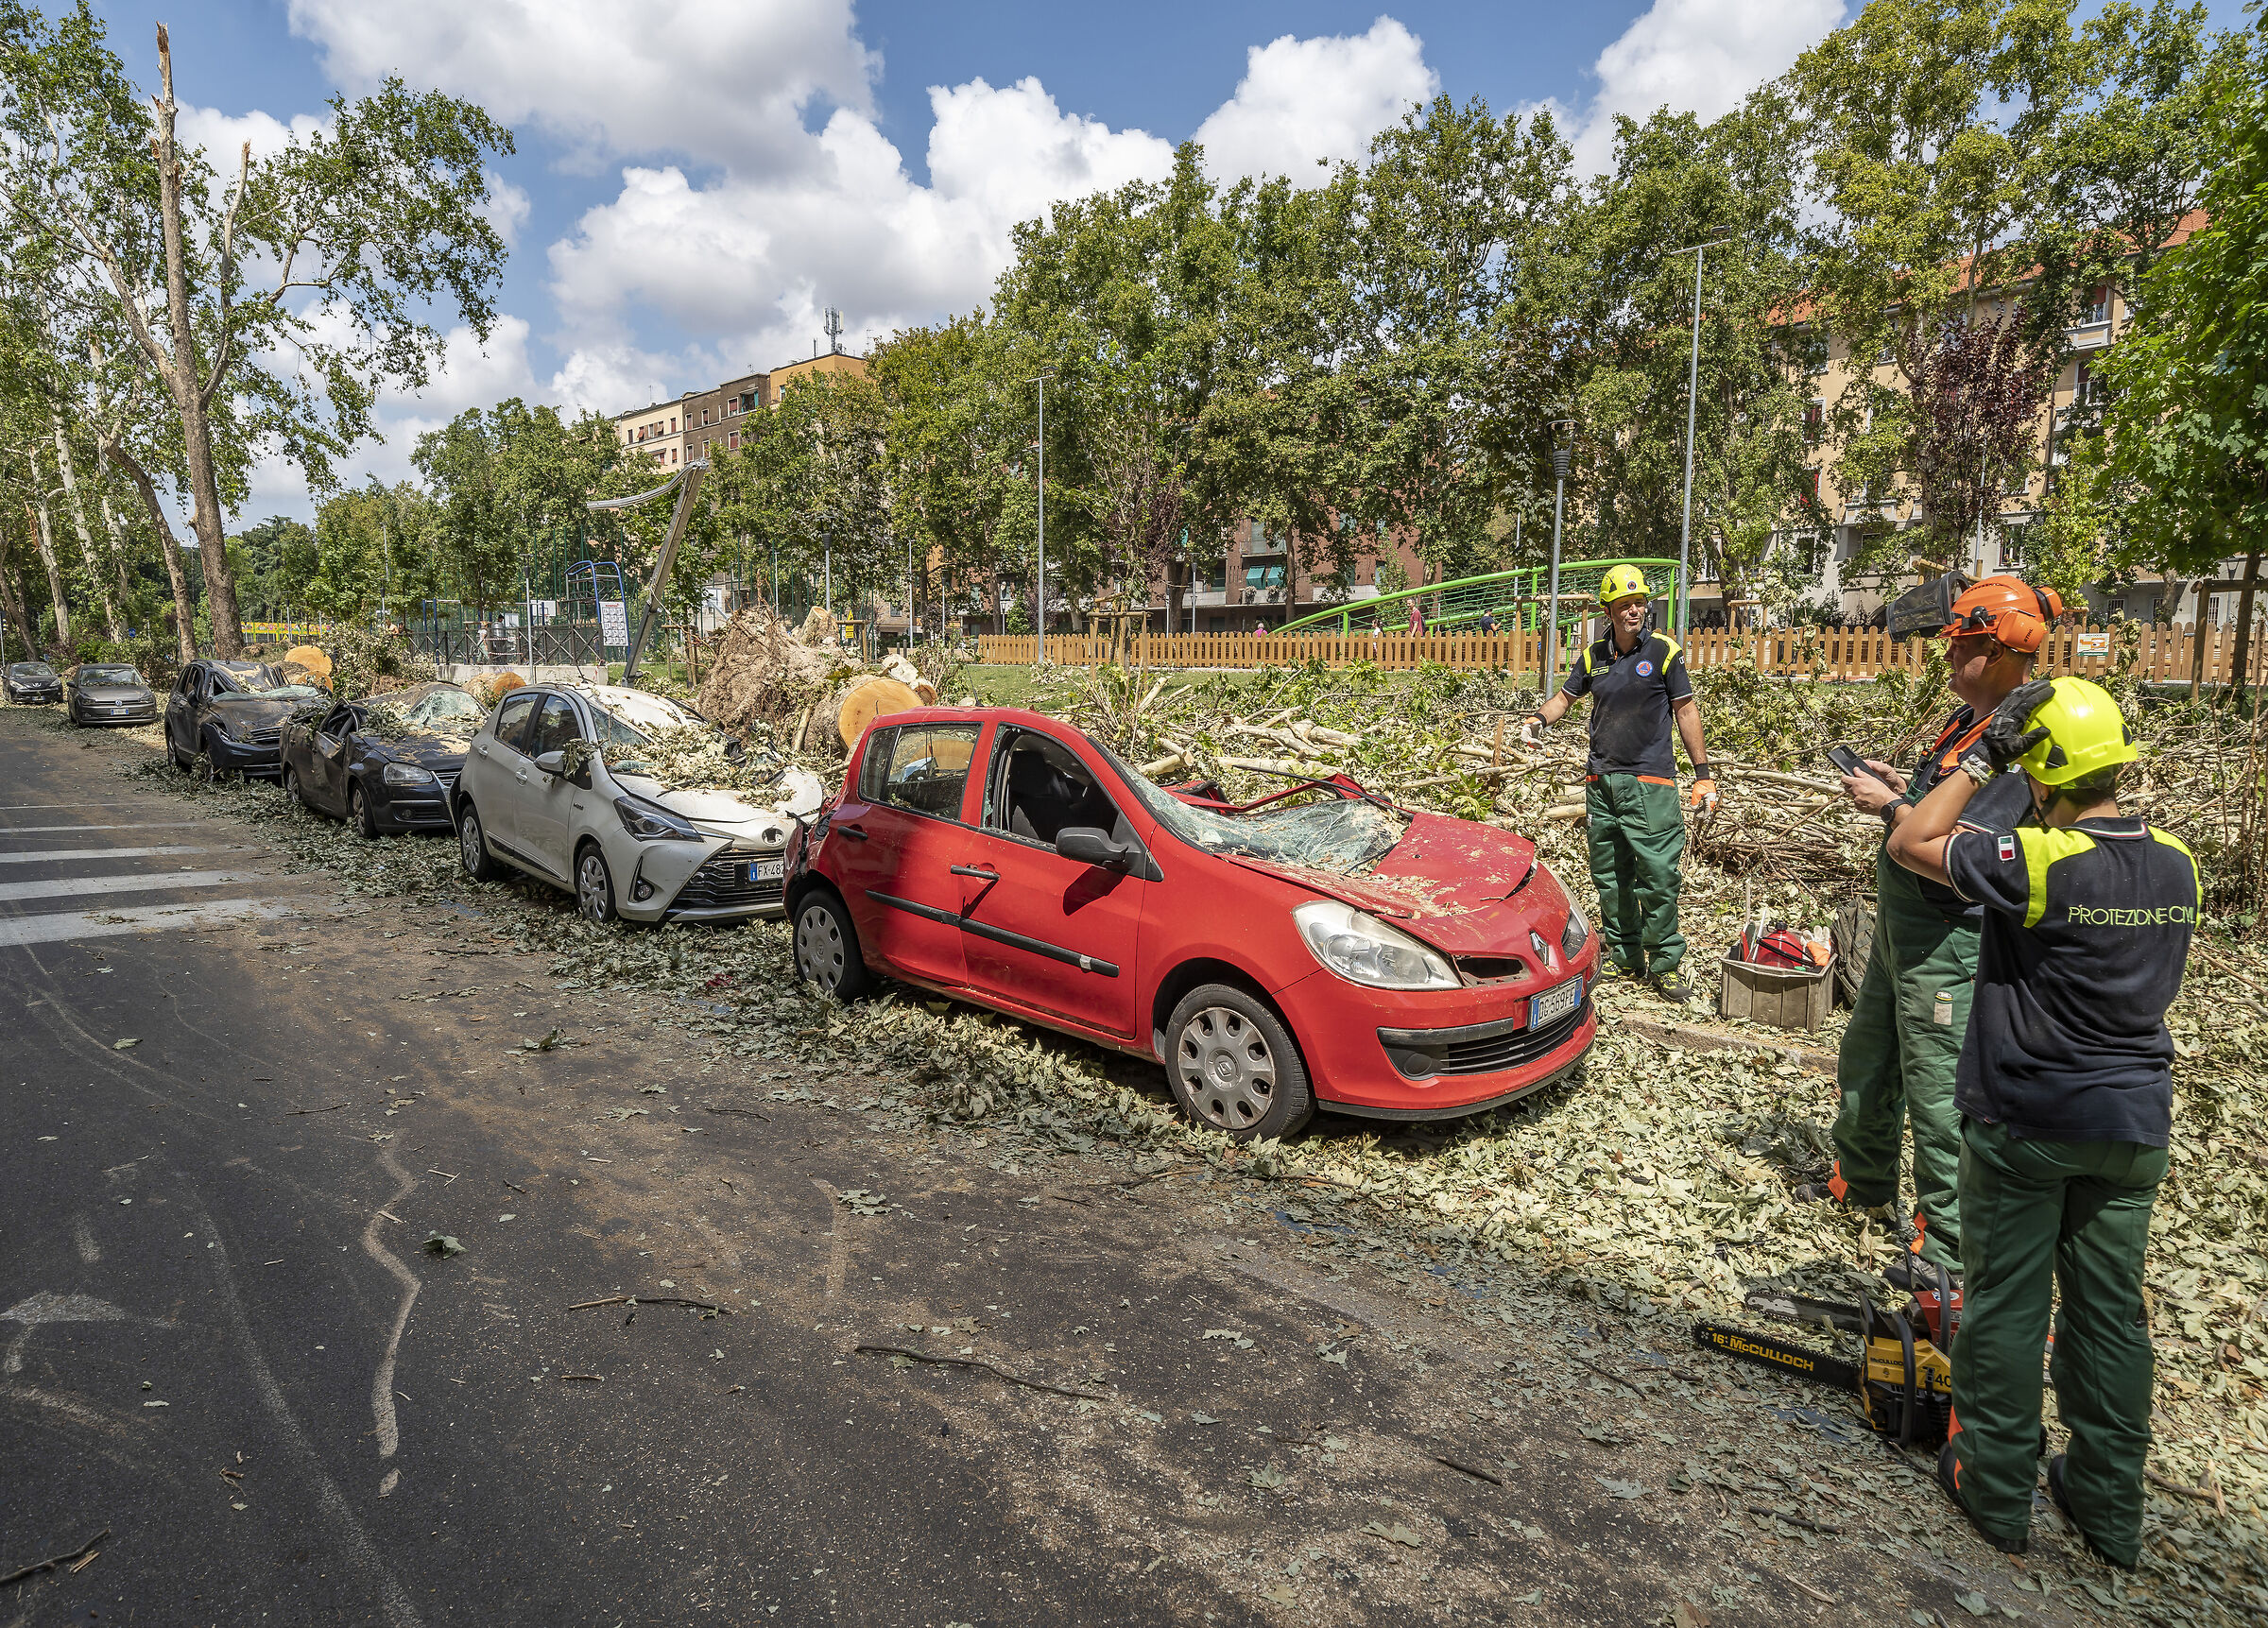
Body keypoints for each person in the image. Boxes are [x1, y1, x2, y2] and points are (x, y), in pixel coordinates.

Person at [1884, 677, 2194, 1567]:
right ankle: (2107, 1508)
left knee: (2010, 1306)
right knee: (2109, 1318)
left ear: (2044, 770)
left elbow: (1913, 839)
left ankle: (1991, 1487)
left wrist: (1983, 755)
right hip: (2133, 1126)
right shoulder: (2179, 861)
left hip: (2030, 1116)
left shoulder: (2041, 858)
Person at [1800, 574, 2060, 1282]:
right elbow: (1938, 808)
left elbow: (1963, 853)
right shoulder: (1968, 724)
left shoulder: (2015, 741)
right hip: (1901, 928)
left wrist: (1889, 809)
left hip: (1948, 937)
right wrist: (1903, 789)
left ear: (2005, 651)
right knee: (1868, 1055)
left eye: (1964, 644)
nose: (1949, 656)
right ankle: (1862, 1178)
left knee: (1940, 1088)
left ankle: (1943, 1243)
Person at [1521, 565, 1715, 1000]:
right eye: (1625, 604)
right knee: (1610, 875)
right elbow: (1564, 699)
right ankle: (1626, 956)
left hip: (1651, 784)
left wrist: (1703, 775)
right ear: (1608, 610)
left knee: (1659, 876)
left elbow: (1686, 711)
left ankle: (1664, 962)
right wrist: (1537, 720)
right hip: (1602, 783)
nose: (1634, 610)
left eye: (1640, 602)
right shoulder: (1593, 656)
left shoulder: (1664, 652)